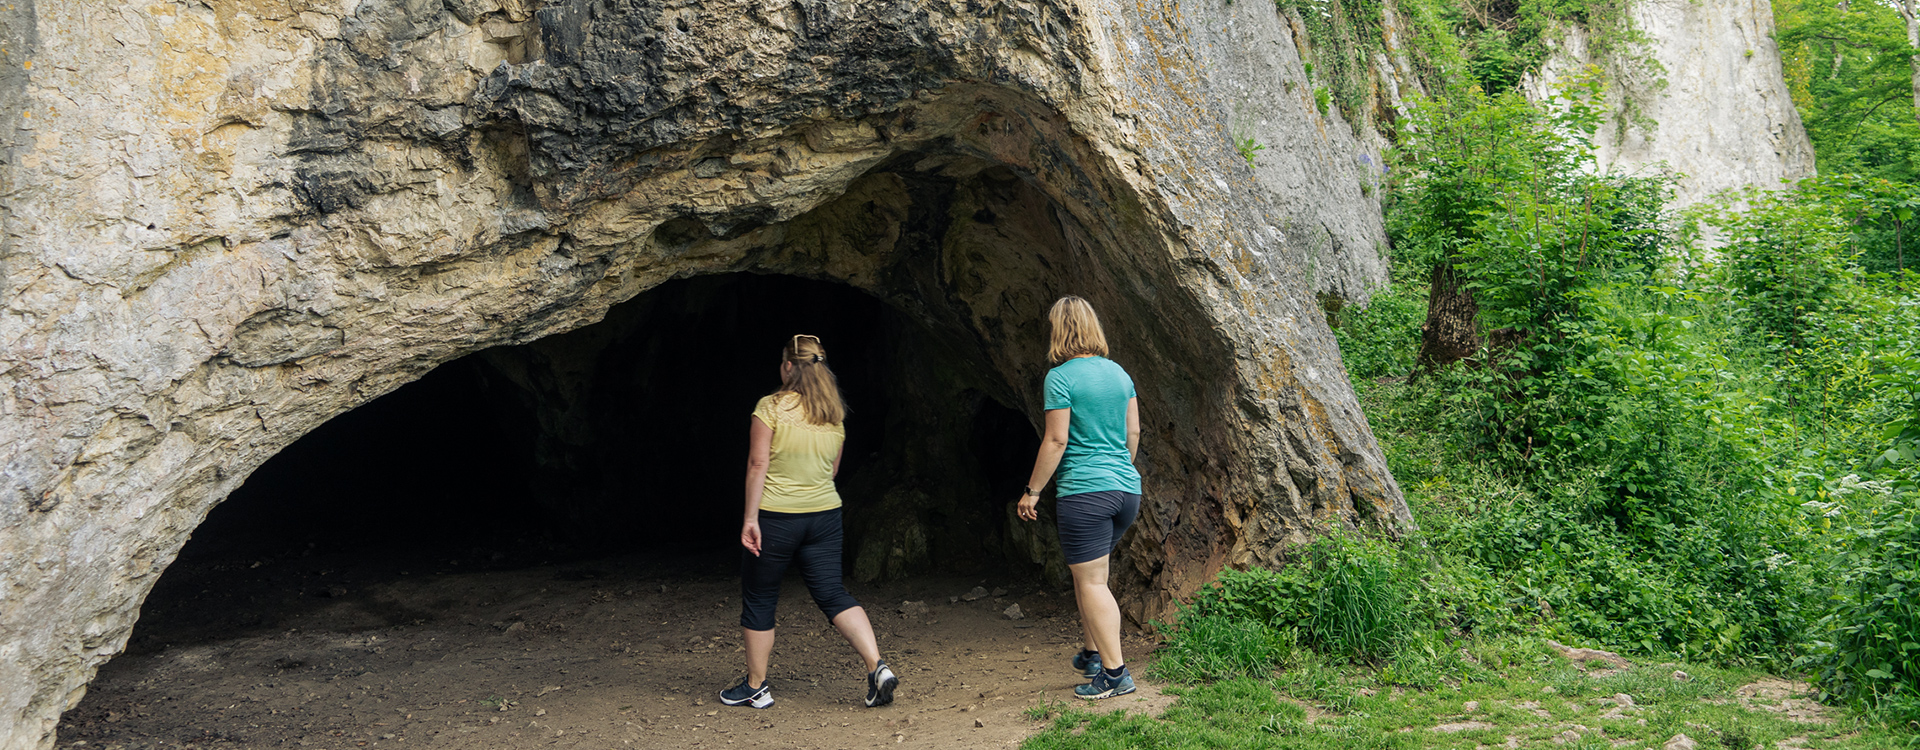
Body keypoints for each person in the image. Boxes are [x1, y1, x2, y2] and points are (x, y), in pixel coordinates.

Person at [721, 334, 899, 710]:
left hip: (777, 517)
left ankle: (756, 687)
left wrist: (750, 519)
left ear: (788, 366)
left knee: (760, 597)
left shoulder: (769, 408)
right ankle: (877, 666)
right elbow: (831, 471)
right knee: (833, 593)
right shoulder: (833, 415)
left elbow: (758, 464)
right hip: (824, 517)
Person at [1015, 296, 1142, 700]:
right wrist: (1118, 471)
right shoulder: (1120, 374)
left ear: (1059, 330)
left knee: (1091, 582)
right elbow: (1133, 434)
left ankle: (1115, 673)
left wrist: (1032, 492)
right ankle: (1092, 653)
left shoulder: (1061, 377)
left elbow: (1056, 439)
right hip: (1126, 490)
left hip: (1086, 492)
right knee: (1090, 578)